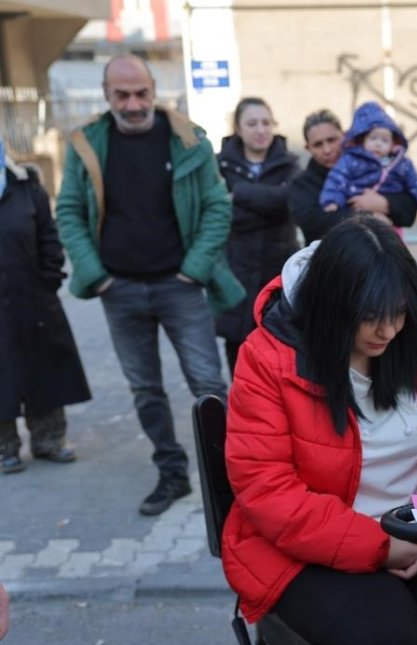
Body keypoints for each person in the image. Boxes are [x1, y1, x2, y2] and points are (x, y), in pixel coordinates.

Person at [220, 215, 417, 645]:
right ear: (332, 303)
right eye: (370, 316)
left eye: (398, 312)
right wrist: (382, 548)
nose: (387, 330)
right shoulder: (268, 358)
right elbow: (266, 489)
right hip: (306, 547)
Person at [55, 53, 244, 516]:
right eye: (122, 94)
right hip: (118, 290)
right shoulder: (87, 144)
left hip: (180, 286)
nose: (134, 103)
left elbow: (219, 206)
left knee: (209, 384)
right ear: (106, 96)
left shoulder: (187, 139)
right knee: (144, 388)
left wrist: (195, 269)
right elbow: (69, 212)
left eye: (141, 93)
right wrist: (96, 277)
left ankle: (231, 481)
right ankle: (172, 473)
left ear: (154, 90)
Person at [0, 138, 91, 474]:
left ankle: (49, 441)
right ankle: (4, 448)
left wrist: (47, 282)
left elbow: (49, 240)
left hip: (32, 297)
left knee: (45, 366)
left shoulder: (26, 187)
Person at [216, 97, 301, 376]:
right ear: (238, 129)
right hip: (235, 275)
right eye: (252, 123)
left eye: (266, 122)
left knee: (281, 356)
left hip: (277, 274)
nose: (260, 129)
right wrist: (270, 205)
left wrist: (240, 194)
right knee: (240, 361)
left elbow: (290, 202)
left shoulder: (289, 164)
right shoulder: (220, 166)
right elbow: (221, 213)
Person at [287, 109, 417, 243]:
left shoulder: (378, 168)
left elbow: (409, 213)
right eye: (318, 144)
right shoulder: (300, 185)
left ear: (344, 136)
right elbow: (313, 224)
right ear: (308, 148)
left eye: (332, 140)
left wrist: (384, 203)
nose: (327, 150)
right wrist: (367, 215)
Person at [319, 101, 417, 228]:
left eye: (384, 140)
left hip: (392, 222)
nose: (378, 144)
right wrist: (332, 201)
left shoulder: (401, 164)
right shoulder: (351, 160)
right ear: (362, 139)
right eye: (373, 138)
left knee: (390, 244)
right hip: (356, 216)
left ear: (393, 143)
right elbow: (337, 179)